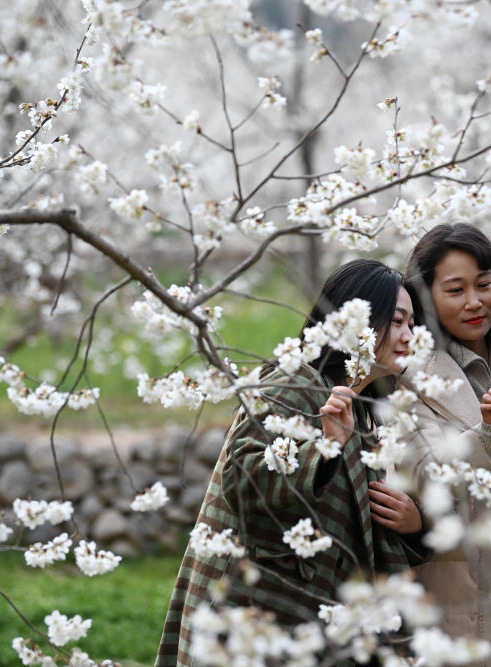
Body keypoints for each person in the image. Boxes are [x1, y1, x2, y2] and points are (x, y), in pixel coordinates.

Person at [156, 259, 427, 667]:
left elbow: (356, 538)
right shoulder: (293, 382)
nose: (409, 336)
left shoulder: (362, 419)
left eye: (412, 324)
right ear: (357, 321)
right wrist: (321, 449)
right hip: (251, 616)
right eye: (398, 322)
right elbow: (243, 480)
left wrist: (414, 528)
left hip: (304, 625)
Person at [390, 222, 491, 666]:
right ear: (425, 298)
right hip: (466, 597)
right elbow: (427, 480)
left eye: (483, 284)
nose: (476, 302)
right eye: (455, 290)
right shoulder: (408, 377)